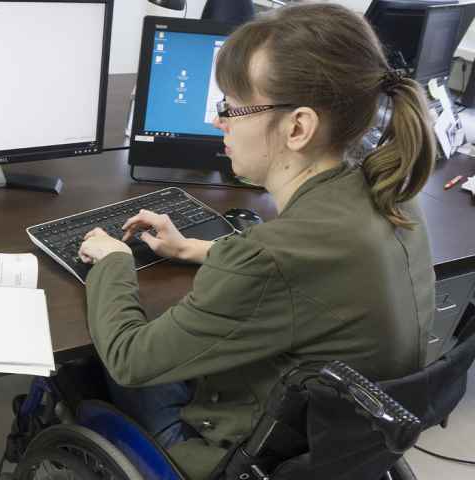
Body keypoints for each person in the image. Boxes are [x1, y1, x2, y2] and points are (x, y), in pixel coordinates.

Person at [78, 3, 436, 479]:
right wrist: (193, 249)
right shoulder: (391, 193)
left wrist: (114, 259)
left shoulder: (271, 257)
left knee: (86, 360)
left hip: (239, 455)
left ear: (297, 127)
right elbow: (305, 277)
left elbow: (129, 358)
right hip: (329, 445)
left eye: (231, 107)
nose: (216, 121)